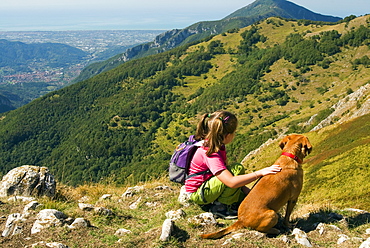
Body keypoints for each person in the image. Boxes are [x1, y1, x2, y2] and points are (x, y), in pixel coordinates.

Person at [185, 110, 281, 218]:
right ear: (227, 135)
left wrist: (250, 193)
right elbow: (231, 182)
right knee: (237, 168)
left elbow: (228, 176)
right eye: (234, 132)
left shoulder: (215, 145)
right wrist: (260, 173)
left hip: (207, 187)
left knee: (245, 199)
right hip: (198, 194)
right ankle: (220, 208)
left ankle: (225, 202)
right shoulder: (210, 152)